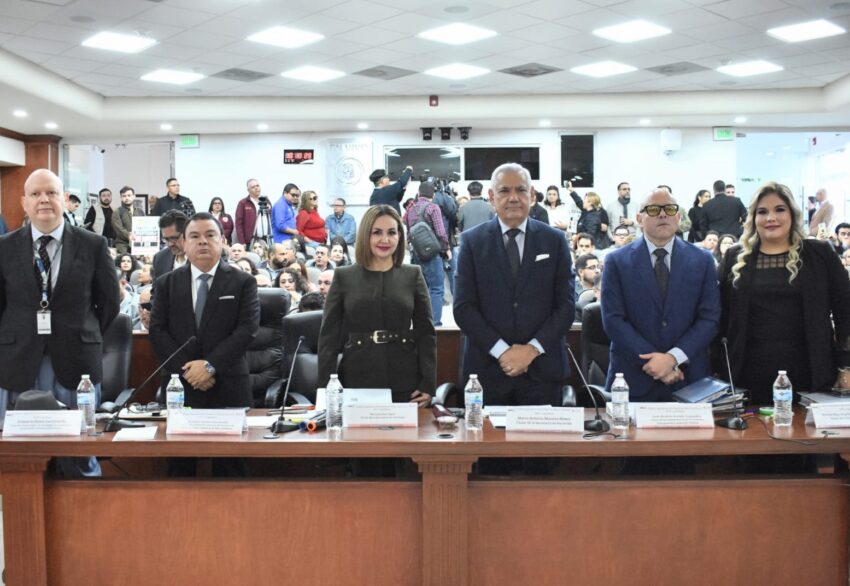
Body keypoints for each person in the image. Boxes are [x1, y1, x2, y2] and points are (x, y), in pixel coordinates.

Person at [0, 169, 120, 477]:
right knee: (18, 456)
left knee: (78, 452)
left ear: (64, 199)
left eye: (51, 193)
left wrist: (81, 332)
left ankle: (84, 504)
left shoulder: (93, 245)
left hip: (76, 361)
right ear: (24, 202)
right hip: (18, 362)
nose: (44, 200)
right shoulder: (4, 247)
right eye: (36, 194)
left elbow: (109, 304)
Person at [718, 182, 850, 405]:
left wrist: (846, 366)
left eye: (779, 209)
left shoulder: (820, 254)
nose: (771, 218)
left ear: (792, 214)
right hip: (747, 372)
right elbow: (720, 317)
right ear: (753, 218)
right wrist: (718, 366)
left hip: (812, 370)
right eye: (762, 212)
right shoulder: (734, 257)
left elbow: (845, 312)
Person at [454, 162, 574, 407]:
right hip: (487, 373)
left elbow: (566, 306)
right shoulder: (471, 242)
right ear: (491, 197)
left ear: (532, 195)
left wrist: (531, 350)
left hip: (542, 372)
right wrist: (503, 352)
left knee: (540, 435)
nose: (513, 198)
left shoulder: (555, 240)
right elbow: (464, 308)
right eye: (504, 191)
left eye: (521, 190)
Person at [149, 212, 259, 476]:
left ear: (223, 240)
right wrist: (190, 371)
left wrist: (210, 366)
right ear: (184, 243)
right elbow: (157, 331)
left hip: (228, 384)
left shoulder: (243, 282)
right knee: (179, 471)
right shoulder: (166, 283)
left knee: (231, 471)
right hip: (181, 386)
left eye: (210, 235)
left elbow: (247, 331)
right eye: (194, 236)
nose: (202, 242)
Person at [601, 188, 720, 401]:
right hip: (632, 379)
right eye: (654, 209)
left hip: (688, 377)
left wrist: (673, 358)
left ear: (678, 216)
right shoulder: (616, 261)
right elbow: (613, 320)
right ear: (639, 219)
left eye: (670, 209)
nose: (663, 214)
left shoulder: (702, 260)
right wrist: (655, 363)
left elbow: (709, 319)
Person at [318, 205, 435, 406]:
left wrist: (428, 384)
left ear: (400, 236)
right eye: (377, 232)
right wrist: (325, 389)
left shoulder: (413, 274)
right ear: (365, 235)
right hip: (356, 377)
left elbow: (426, 333)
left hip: (405, 379)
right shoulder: (344, 276)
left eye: (392, 232)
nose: (385, 239)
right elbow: (329, 337)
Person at [403, 182, 450, 326]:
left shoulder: (410, 209)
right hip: (432, 254)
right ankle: (434, 323)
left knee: (419, 290)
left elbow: (407, 229)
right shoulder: (433, 208)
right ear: (433, 195)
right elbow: (441, 233)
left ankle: (420, 322)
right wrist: (446, 248)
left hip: (416, 254)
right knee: (436, 288)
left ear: (419, 193)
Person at [152, 210, 189, 281]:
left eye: (174, 238)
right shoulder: (160, 259)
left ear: (186, 233)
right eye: (166, 239)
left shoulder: (200, 257)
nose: (170, 244)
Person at [112, 186, 143, 254]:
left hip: (138, 243)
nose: (127, 198)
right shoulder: (117, 212)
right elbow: (119, 229)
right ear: (121, 198)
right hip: (122, 245)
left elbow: (145, 227)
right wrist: (129, 235)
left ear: (134, 196)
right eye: (124, 196)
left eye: (129, 195)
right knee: (126, 258)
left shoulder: (140, 212)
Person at [234, 178, 262, 245]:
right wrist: (242, 242)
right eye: (253, 187)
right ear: (248, 190)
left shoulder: (266, 201)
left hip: (265, 239)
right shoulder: (243, 203)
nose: (256, 188)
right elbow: (238, 224)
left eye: (257, 186)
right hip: (250, 241)